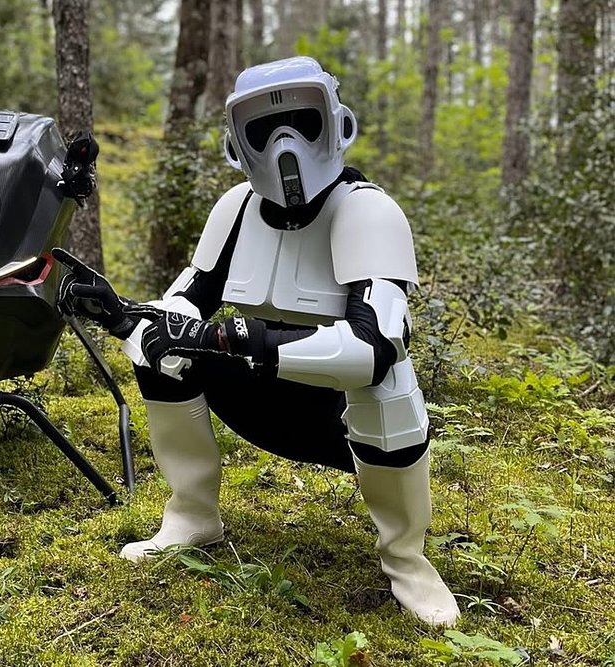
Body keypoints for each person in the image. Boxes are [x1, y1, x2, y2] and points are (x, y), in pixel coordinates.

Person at [52, 56, 459, 627]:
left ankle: (406, 558)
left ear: (338, 126)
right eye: (264, 131)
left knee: (388, 386)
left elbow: (374, 349)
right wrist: (128, 318)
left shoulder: (368, 213)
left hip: (343, 417)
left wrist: (236, 335)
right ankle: (192, 515)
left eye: (300, 122)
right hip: (263, 399)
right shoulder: (235, 210)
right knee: (163, 351)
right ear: (236, 146)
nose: (283, 145)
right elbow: (183, 302)